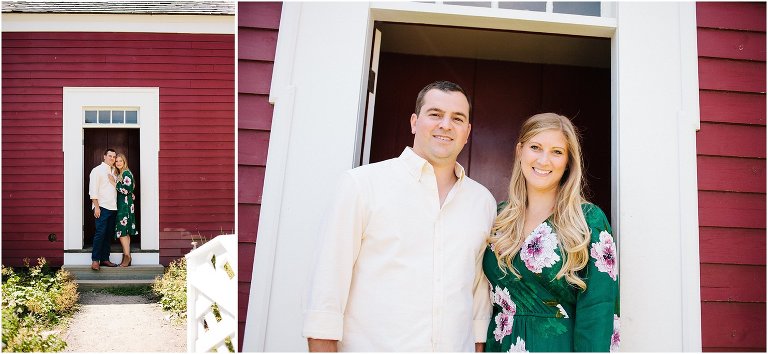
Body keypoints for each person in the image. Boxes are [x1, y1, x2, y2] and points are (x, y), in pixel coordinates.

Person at [303, 81, 497, 352]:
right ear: (414, 122)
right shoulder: (362, 185)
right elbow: (327, 289)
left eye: (457, 118)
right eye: (435, 114)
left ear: (467, 132)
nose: (446, 124)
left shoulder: (482, 202)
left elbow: (478, 295)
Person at [483, 113, 620, 352]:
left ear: (568, 161)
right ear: (520, 151)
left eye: (557, 152)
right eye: (535, 147)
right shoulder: (499, 217)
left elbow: (599, 310)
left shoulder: (588, 221)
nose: (544, 160)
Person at [88, 148, 119, 271]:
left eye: (114, 157)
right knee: (100, 233)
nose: (112, 158)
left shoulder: (115, 171)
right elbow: (93, 190)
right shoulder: (97, 170)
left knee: (108, 235)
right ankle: (95, 260)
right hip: (102, 207)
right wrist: (96, 207)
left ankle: (105, 259)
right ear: (104, 156)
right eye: (110, 156)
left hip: (113, 207)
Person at [109, 153, 138, 267]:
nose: (118, 163)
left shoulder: (126, 172)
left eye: (120, 161)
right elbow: (130, 189)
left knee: (122, 231)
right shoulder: (121, 173)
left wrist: (113, 182)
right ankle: (127, 255)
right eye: (117, 161)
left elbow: (126, 190)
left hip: (125, 206)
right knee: (125, 231)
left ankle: (127, 256)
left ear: (124, 161)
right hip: (124, 204)